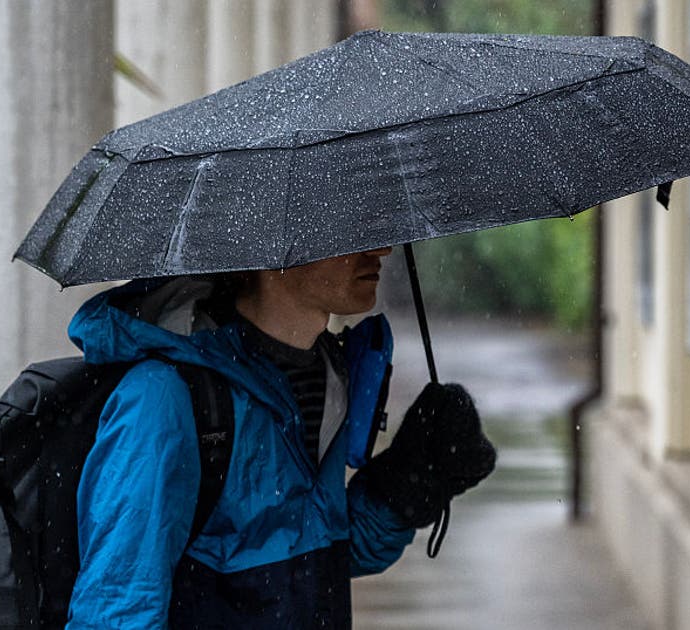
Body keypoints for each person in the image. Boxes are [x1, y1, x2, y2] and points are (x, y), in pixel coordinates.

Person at [64, 246, 496, 628]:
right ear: (270, 251)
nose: (381, 250)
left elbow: (309, 559)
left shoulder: (329, 376)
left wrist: (411, 479)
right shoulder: (165, 397)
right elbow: (118, 609)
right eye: (341, 230)